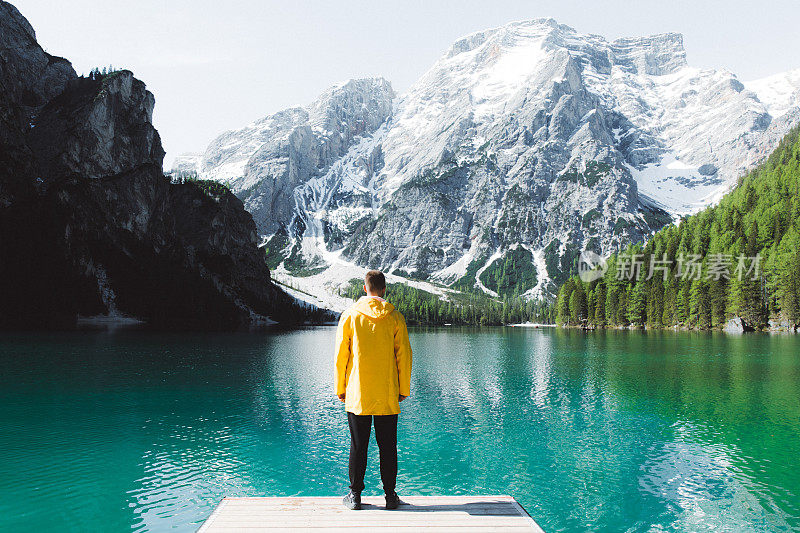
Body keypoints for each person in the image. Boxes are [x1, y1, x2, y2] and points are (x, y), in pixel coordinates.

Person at [334, 270, 412, 510]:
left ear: (364, 288)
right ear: (384, 289)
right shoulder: (395, 317)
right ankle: (390, 496)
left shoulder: (350, 315)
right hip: (387, 392)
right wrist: (403, 389)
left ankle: (355, 496)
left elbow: (341, 356)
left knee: (358, 445)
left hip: (358, 393)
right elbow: (405, 356)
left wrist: (341, 387)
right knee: (388, 446)